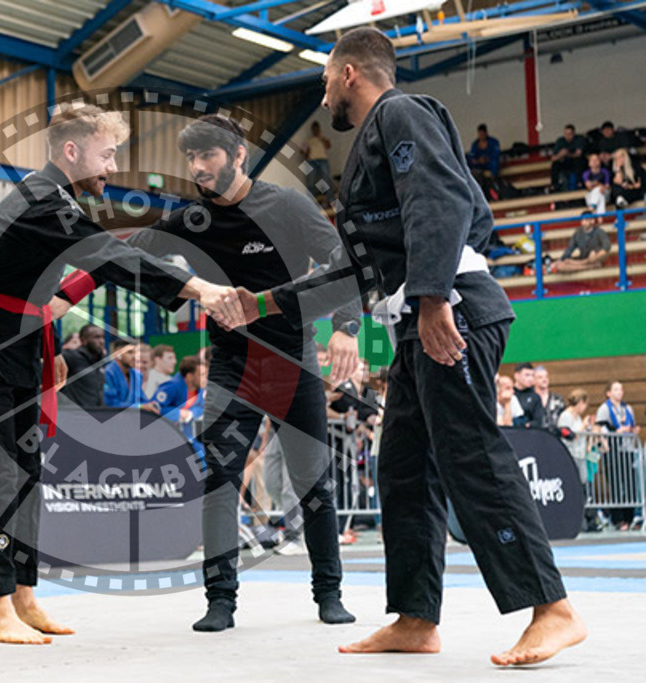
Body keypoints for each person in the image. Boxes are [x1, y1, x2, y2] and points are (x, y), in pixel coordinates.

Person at [232, 27, 585, 665]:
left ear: (348, 73)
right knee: (402, 466)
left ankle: (551, 608)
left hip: (452, 309)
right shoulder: (374, 145)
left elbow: (439, 199)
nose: (323, 97)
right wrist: (261, 303)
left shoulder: (402, 112)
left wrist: (431, 297)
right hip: (418, 319)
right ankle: (416, 618)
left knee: (469, 453)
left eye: (325, 81)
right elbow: (351, 268)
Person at [0, 104, 242, 645]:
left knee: (27, 475)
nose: (112, 167)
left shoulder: (55, 202)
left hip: (18, 347)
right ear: (71, 151)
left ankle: (25, 596)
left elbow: (64, 275)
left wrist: (50, 335)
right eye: (106, 155)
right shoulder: (40, 200)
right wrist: (199, 289)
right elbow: (107, 255)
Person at [57, 113, 361, 629]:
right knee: (218, 481)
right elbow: (122, 256)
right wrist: (60, 296)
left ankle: (328, 593)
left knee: (313, 483)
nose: (198, 167)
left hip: (293, 362)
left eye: (208, 155)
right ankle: (220, 601)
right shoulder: (191, 220)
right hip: (231, 368)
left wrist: (347, 327)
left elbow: (342, 259)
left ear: (238, 155)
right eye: (192, 158)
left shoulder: (286, 205)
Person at [594, 381, 640, 530]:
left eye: (621, 389)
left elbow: (631, 426)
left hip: (627, 449)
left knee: (630, 483)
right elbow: (600, 429)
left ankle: (629, 517)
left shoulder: (628, 408)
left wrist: (633, 431)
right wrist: (615, 433)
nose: (619, 392)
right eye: (616, 389)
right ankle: (618, 519)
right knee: (615, 484)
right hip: (613, 450)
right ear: (608, 393)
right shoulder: (604, 409)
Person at [59, 324, 106, 408]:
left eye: (103, 337)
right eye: (97, 337)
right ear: (83, 340)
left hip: (97, 412)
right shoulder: (72, 356)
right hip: (75, 412)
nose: (101, 341)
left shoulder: (100, 360)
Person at [103, 342, 155, 410]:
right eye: (130, 352)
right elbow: (111, 403)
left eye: (135, 353)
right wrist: (139, 407)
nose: (134, 357)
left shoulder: (137, 375)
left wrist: (150, 405)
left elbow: (142, 400)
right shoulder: (108, 373)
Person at [550, 125, 587, 192]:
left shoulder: (579, 139)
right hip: (564, 162)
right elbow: (553, 158)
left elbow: (578, 154)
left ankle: (579, 182)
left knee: (579, 161)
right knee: (555, 164)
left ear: (573, 133)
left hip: (576, 162)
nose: (568, 136)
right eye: (566, 134)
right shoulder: (560, 141)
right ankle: (554, 185)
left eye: (570, 134)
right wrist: (560, 155)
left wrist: (568, 154)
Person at [513, 362, 547, 428]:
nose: (530, 379)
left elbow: (538, 422)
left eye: (532, 375)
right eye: (527, 375)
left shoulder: (535, 397)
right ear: (517, 376)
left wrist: (524, 425)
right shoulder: (509, 393)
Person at [533, 366, 565, 430]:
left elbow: (564, 419)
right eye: (540, 377)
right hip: (534, 433)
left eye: (546, 377)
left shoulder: (558, 399)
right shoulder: (530, 399)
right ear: (533, 381)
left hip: (554, 434)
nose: (544, 380)